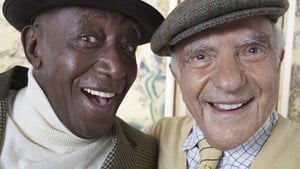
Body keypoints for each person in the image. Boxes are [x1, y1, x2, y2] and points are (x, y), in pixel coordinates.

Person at [0, 0, 164, 168]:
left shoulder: (148, 157)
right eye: (88, 39)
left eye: (128, 47)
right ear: (34, 47)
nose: (116, 69)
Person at [149, 0, 300, 168]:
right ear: (177, 76)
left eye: (252, 50)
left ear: (278, 63)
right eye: (200, 57)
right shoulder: (153, 140)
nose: (230, 83)